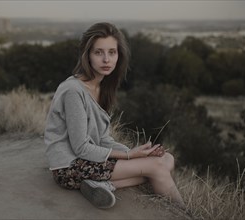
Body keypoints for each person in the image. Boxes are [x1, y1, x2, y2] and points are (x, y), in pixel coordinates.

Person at [44, 22, 185, 209]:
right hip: (70, 167)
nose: (106, 59)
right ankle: (184, 213)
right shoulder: (73, 91)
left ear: (119, 55)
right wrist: (128, 155)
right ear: (87, 56)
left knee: (167, 159)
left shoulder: (102, 88)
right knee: (157, 167)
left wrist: (136, 154)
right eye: (98, 52)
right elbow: (81, 148)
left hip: (90, 160)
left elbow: (102, 138)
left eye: (112, 52)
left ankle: (104, 184)